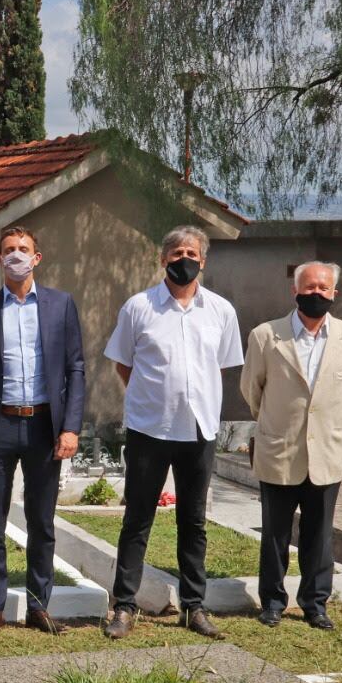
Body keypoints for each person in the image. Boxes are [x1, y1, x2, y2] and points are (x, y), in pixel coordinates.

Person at [102, 225, 243, 640]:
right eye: (177, 252)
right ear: (163, 259)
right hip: (150, 428)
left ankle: (193, 607)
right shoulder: (138, 307)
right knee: (137, 519)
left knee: (193, 521)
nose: (185, 259)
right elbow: (123, 363)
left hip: (199, 429)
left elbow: (216, 367)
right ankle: (124, 607)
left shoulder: (221, 310)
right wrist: (154, 398)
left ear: (204, 260)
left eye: (192, 252)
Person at [0, 225, 86, 637]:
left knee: (41, 521)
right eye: (9, 250)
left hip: (44, 427)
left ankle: (38, 605)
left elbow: (75, 369)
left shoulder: (60, 305)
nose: (16, 255)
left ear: (37, 258)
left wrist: (70, 427)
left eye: (23, 249)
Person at [240, 261, 342, 630]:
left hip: (325, 451)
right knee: (275, 533)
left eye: (323, 289)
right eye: (309, 288)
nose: (316, 294)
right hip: (280, 448)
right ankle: (273, 602)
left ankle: (315, 604)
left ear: (334, 294)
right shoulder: (266, 336)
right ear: (294, 292)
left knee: (319, 534)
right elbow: (252, 390)